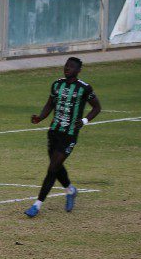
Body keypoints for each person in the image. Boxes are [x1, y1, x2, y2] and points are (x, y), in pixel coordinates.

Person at [25, 57, 101, 217]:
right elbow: (50, 104)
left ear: (78, 70)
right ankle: (70, 190)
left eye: (71, 67)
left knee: (52, 168)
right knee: (56, 166)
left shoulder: (84, 88)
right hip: (54, 132)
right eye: (66, 65)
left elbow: (97, 107)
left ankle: (37, 205)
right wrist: (40, 117)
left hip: (69, 135)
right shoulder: (57, 84)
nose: (67, 68)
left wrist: (84, 120)